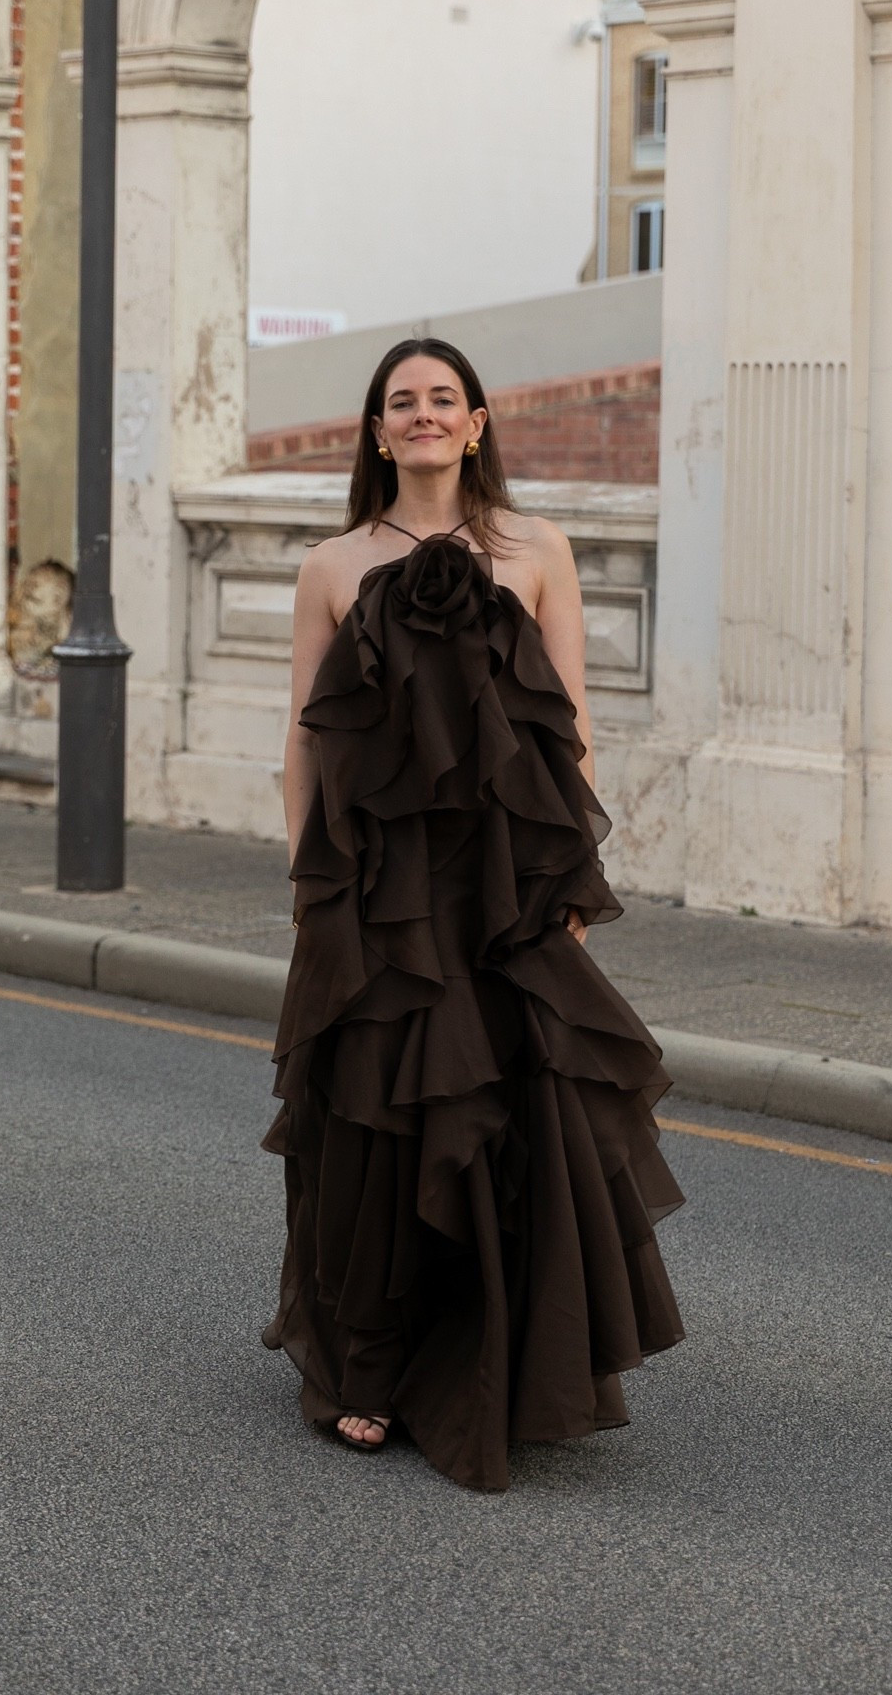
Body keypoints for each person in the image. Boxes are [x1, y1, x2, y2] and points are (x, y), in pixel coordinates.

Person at [261, 336, 685, 1492]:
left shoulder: (537, 551)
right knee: (378, 1117)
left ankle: (492, 1361)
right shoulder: (331, 567)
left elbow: (570, 729)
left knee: (511, 1112)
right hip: (381, 891)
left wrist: (570, 885)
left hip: (502, 884)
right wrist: (313, 889)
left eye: (443, 399)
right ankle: (369, 1367)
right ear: (376, 430)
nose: (423, 416)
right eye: (402, 403)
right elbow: (305, 741)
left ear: (478, 422)